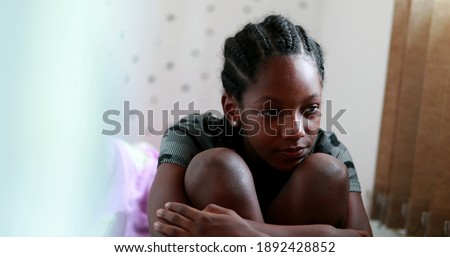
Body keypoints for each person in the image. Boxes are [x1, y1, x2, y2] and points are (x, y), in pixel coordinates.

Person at [147, 14, 373, 236]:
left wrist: (245, 234)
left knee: (328, 171)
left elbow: (365, 244)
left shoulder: (330, 148)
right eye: (272, 112)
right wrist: (325, 236)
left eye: (311, 109)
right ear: (232, 109)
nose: (296, 130)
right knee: (216, 166)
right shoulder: (192, 134)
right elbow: (163, 234)